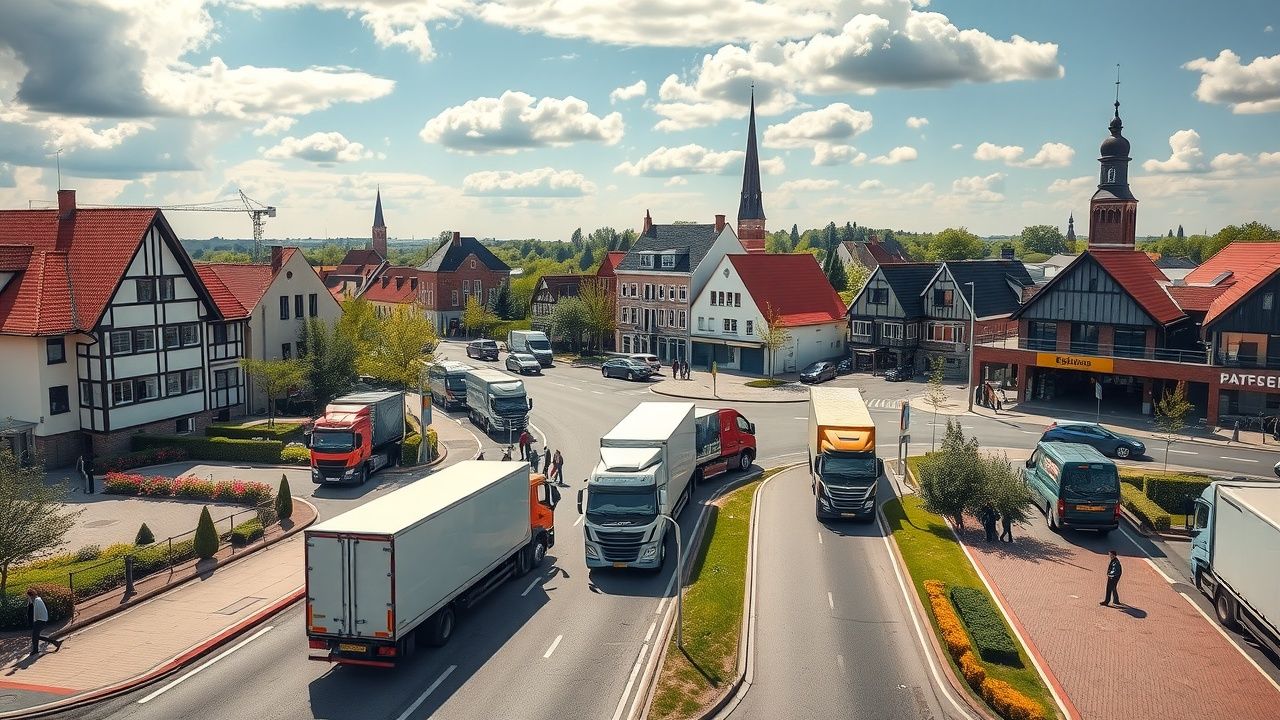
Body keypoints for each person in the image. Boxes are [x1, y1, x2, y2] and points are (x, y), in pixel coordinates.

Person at [27, 588, 61, 656]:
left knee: (35, 636)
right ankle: (55, 642)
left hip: (40, 621)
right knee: (36, 636)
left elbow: (36, 613)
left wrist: (35, 621)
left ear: (31, 596)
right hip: (41, 620)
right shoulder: (38, 600)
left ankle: (36, 650)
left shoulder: (37, 601)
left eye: (28, 596)